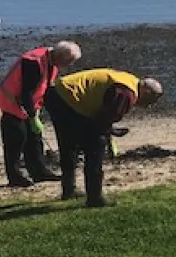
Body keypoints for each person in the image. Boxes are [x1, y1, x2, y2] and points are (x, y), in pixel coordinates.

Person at [43, 69, 164, 207]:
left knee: (69, 144)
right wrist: (106, 135)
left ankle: (69, 189)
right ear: (146, 92)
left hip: (57, 92)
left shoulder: (129, 80)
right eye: (151, 101)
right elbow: (101, 121)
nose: (148, 106)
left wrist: (109, 130)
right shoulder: (126, 93)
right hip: (68, 101)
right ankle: (95, 198)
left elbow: (104, 115)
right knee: (95, 147)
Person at [0, 41, 82, 187]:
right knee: (16, 139)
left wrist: (36, 112)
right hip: (10, 103)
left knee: (34, 138)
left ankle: (39, 172)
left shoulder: (52, 62)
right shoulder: (33, 63)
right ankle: (14, 177)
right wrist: (33, 117)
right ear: (60, 56)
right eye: (69, 61)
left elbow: (43, 88)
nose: (70, 65)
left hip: (27, 104)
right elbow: (26, 93)